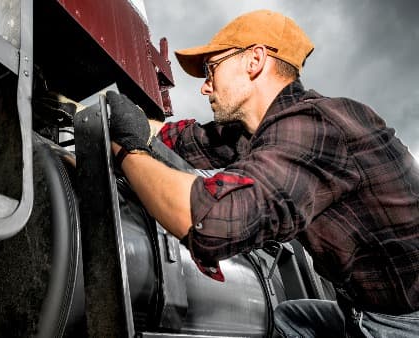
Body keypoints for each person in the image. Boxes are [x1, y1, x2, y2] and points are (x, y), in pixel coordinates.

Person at [105, 9, 419, 338]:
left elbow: (209, 221)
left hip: (404, 321)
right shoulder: (261, 133)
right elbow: (182, 140)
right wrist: (122, 125)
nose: (205, 88)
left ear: (254, 60)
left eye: (211, 70)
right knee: (287, 318)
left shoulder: (315, 126)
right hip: (359, 308)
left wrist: (130, 152)